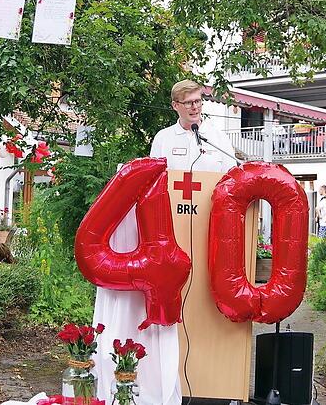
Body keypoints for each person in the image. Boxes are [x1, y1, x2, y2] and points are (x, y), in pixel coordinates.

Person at [90, 79, 237, 405]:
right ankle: (169, 377)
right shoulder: (163, 138)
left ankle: (211, 380)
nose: (195, 107)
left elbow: (231, 177)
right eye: (188, 103)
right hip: (171, 233)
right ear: (175, 106)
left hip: (208, 231)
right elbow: (153, 181)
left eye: (198, 101)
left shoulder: (217, 137)